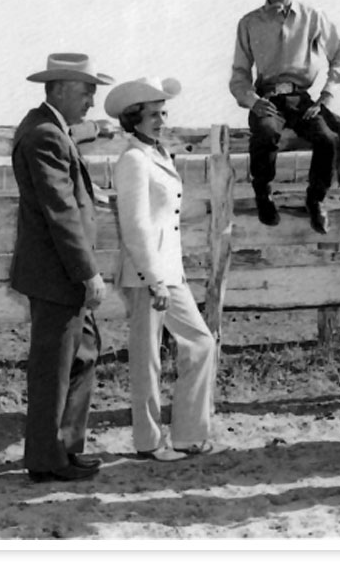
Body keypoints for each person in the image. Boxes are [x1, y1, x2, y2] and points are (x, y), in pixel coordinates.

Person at [105, 77, 224, 462]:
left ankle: (187, 435)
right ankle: (149, 443)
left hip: (169, 271)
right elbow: (136, 225)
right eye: (153, 114)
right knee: (148, 358)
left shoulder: (157, 154)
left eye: (163, 112)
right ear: (133, 118)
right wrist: (154, 279)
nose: (161, 120)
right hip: (147, 274)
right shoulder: (134, 160)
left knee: (200, 343)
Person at [9, 52, 113, 483]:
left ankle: (65, 449)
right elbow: (61, 211)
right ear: (58, 89)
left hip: (58, 273)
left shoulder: (49, 128)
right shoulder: (45, 135)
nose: (92, 98)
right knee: (54, 369)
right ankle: (47, 460)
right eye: (86, 89)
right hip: (59, 275)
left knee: (83, 354)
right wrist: (87, 272)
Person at [230, 0, 340, 233]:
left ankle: (316, 199)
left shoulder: (313, 17)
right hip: (268, 97)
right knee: (266, 132)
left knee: (328, 139)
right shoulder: (249, 23)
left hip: (302, 99)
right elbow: (239, 74)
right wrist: (252, 100)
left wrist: (326, 95)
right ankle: (263, 193)